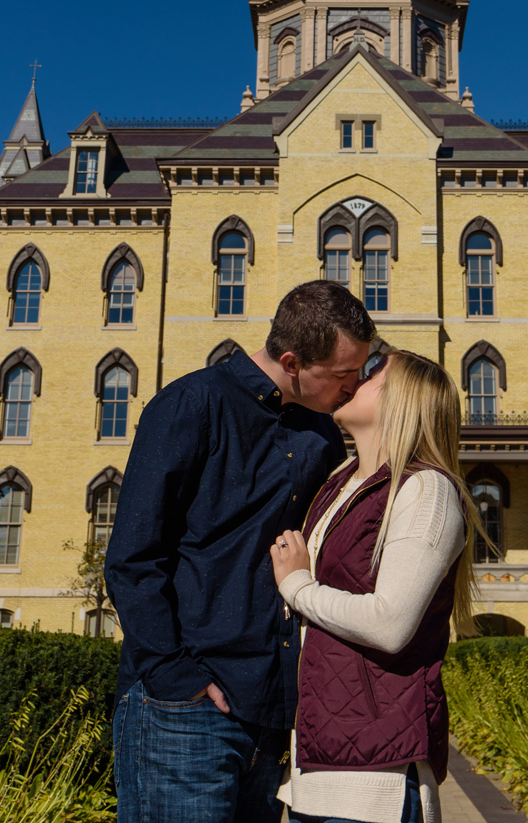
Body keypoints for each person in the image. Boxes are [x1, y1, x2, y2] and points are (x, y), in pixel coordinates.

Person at [107, 280, 377, 823]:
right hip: (184, 709)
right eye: (344, 376)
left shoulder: (322, 435)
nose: (354, 388)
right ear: (292, 361)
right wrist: (176, 677)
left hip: (271, 711)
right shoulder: (191, 405)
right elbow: (133, 557)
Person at [270, 346, 475, 823]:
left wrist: (298, 587)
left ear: (400, 400)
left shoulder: (427, 490)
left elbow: (390, 624)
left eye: (371, 372)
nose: (354, 378)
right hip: (314, 768)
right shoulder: (341, 480)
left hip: (373, 779)